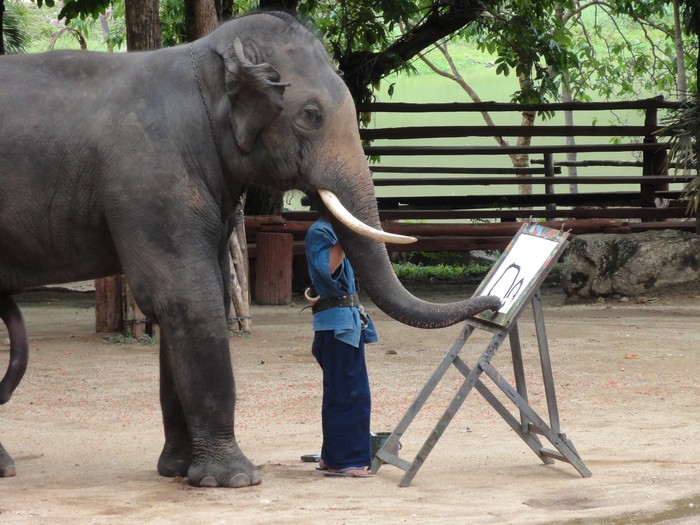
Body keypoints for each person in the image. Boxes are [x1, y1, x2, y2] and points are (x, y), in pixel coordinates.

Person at [304, 200, 378, 478]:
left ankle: (331, 455)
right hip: (337, 327)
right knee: (351, 394)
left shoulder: (328, 230)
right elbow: (328, 268)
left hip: (343, 324)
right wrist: (348, 234)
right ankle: (344, 461)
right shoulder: (321, 232)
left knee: (340, 391)